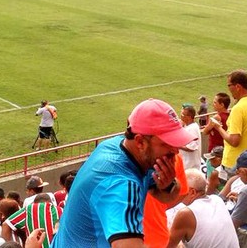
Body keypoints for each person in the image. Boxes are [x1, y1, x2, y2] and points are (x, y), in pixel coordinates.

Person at [52, 98, 196, 247]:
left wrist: (168, 184)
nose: (176, 150)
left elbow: (169, 196)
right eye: (167, 144)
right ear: (140, 142)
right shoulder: (120, 185)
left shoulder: (120, 147)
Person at [167, 169, 239, 248]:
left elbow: (168, 245)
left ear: (192, 192)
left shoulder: (186, 213)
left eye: (180, 188)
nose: (177, 192)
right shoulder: (217, 200)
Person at [142, 155, 189, 248]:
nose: (175, 150)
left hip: (157, 237)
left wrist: (160, 206)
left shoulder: (174, 156)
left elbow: (183, 192)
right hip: (128, 239)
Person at [178, 104, 202, 170]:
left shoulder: (193, 129)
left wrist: (177, 145)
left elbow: (191, 148)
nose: (180, 116)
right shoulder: (187, 126)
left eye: (182, 114)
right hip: (185, 165)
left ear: (189, 117)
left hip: (190, 167)